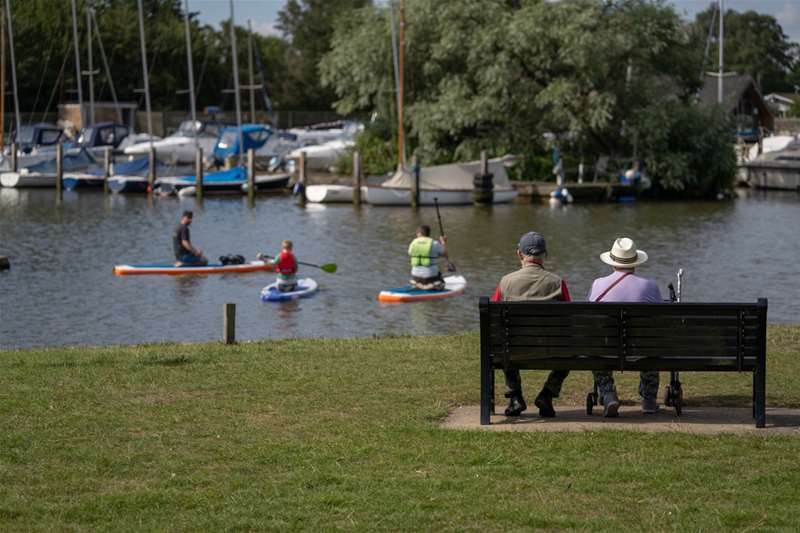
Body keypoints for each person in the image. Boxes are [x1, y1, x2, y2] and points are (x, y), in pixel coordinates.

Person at [489, 231, 572, 418]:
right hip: (551, 350)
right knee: (569, 351)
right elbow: (569, 319)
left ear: (520, 254)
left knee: (505, 344)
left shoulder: (505, 282)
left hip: (514, 349)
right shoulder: (558, 283)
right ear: (545, 255)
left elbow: (494, 320)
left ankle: (515, 396)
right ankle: (547, 394)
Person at [587, 237, 663, 415]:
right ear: (635, 262)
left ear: (612, 261)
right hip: (641, 351)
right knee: (651, 343)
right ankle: (649, 399)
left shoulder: (598, 284)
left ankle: (608, 394)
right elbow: (659, 323)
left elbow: (591, 321)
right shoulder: (650, 286)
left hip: (607, 350)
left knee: (595, 347)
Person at [408, 225, 448, 290]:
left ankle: (417, 284)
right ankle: (433, 285)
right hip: (430, 277)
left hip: (415, 276)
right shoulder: (435, 243)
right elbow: (445, 254)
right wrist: (443, 242)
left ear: (419, 233)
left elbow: (410, 253)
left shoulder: (413, 242)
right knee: (441, 282)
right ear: (428, 234)